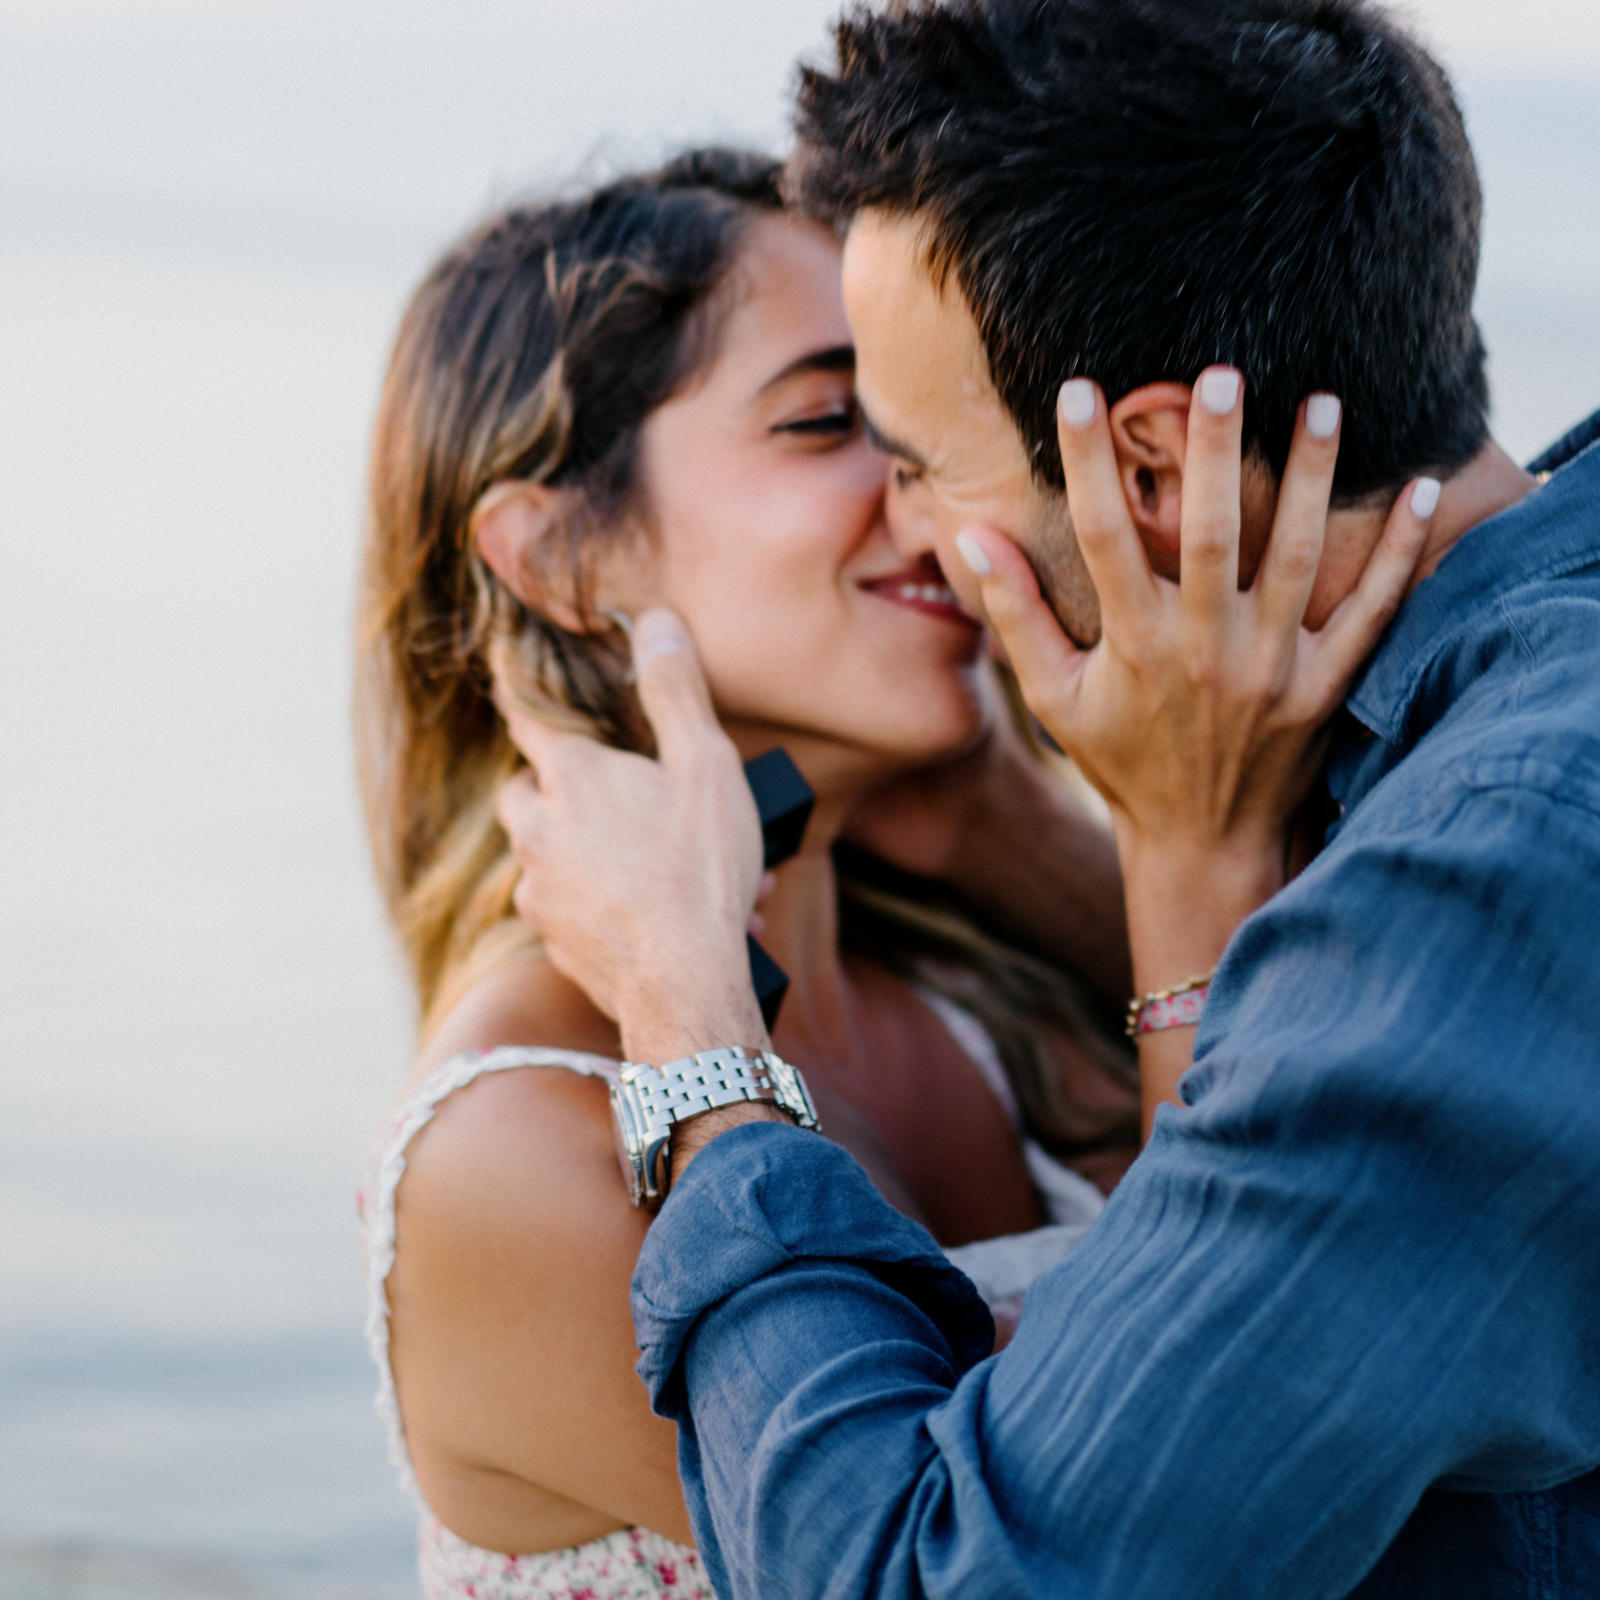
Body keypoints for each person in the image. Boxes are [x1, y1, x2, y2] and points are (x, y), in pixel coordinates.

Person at [492, 2, 1600, 1597]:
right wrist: (1133, 850)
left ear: (1150, 471)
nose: (914, 534)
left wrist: (683, 1017)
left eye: (923, 462)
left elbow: (930, 1577)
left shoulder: (1481, 880)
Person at [354, 145, 1354, 1599]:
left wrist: (1018, 840)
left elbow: (1368, 1204)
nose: (944, 503)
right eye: (830, 423)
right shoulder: (515, 1158)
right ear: (561, 554)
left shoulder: (964, 992)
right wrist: (1187, 845)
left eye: (926, 428)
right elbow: (1162, 1509)